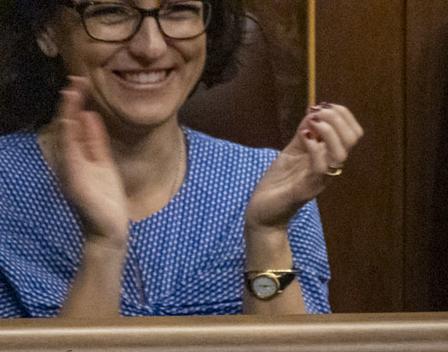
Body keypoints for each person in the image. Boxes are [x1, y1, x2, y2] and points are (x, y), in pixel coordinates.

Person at [0, 0, 360, 318]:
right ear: (46, 30)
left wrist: (267, 239)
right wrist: (103, 247)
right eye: (110, 11)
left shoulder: (269, 183)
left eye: (179, 10)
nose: (150, 47)